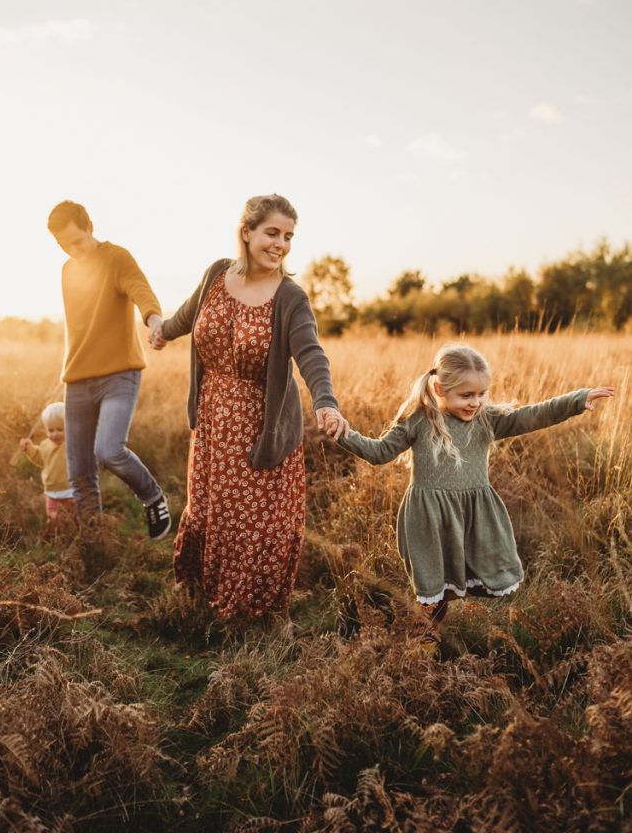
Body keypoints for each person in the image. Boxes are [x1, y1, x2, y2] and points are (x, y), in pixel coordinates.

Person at [151, 194, 348, 622]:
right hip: (212, 420)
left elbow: (311, 354)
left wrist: (326, 402)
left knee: (256, 524)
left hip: (263, 426)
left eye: (289, 237)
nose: (280, 244)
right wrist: (159, 330)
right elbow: (187, 318)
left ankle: (251, 615)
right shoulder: (217, 275)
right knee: (211, 511)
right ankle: (202, 596)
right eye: (272, 233)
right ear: (247, 233)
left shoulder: (291, 297)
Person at [337, 343, 613, 639]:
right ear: (440, 389)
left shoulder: (486, 419)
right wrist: (343, 433)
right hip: (428, 518)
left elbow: (532, 415)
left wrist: (576, 400)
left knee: (472, 574)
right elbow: (379, 452)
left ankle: (429, 641)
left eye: (482, 394)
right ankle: (420, 646)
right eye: (466, 395)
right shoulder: (419, 420)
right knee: (432, 587)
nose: (475, 402)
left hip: (473, 514)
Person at [47, 200, 171, 540]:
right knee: (80, 473)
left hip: (119, 374)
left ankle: (151, 496)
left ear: (90, 226)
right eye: (63, 246)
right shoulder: (67, 270)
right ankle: (93, 543)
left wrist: (153, 318)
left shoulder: (117, 257)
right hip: (77, 380)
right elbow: (81, 326)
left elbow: (139, 289)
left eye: (76, 241)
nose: (73, 251)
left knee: (108, 450)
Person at [19, 402, 76, 532]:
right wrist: (29, 449)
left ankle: (77, 540)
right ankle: (58, 539)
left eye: (60, 429)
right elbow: (40, 458)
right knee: (54, 519)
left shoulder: (71, 444)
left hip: (70, 490)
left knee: (74, 518)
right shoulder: (45, 445)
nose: (55, 434)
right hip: (51, 492)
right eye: (50, 430)